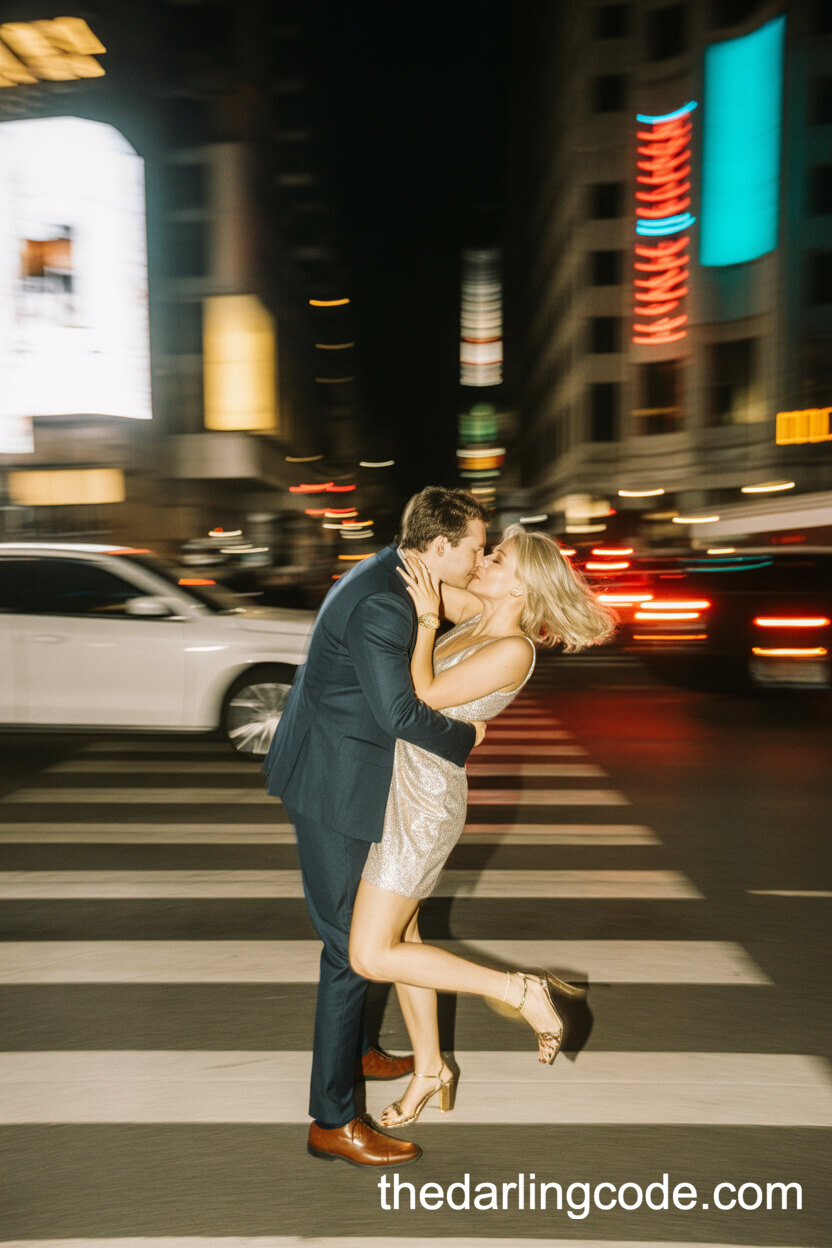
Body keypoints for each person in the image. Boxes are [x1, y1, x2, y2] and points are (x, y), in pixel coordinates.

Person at [348, 524, 616, 1127]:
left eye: (497, 558)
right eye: (488, 553)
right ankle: (430, 1069)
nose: (485, 560)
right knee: (406, 943)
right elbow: (427, 582)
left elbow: (421, 694)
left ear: (521, 585)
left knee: (369, 953)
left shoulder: (513, 649)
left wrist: (421, 622)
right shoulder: (476, 616)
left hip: (422, 804)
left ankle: (519, 991)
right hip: (399, 787)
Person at [262, 486, 490, 1168]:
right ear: (441, 545)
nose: (480, 560)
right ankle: (332, 1120)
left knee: (370, 930)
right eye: (477, 548)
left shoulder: (396, 572)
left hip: (343, 765)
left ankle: (358, 1048)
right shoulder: (388, 600)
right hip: (333, 781)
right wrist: (465, 735)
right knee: (349, 947)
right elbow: (398, 713)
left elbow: (452, 618)